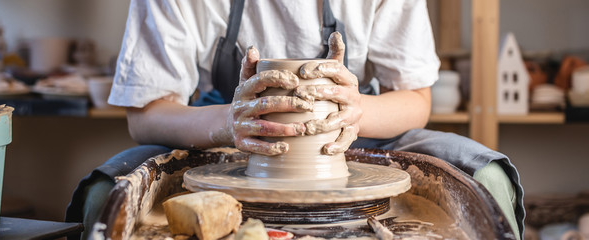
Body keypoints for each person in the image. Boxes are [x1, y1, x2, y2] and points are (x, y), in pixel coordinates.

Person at [66, 0, 524, 239]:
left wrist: (357, 110)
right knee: (107, 194)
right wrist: (229, 123)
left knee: (487, 175)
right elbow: (145, 116)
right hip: (219, 138)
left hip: (354, 135)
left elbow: (416, 99)